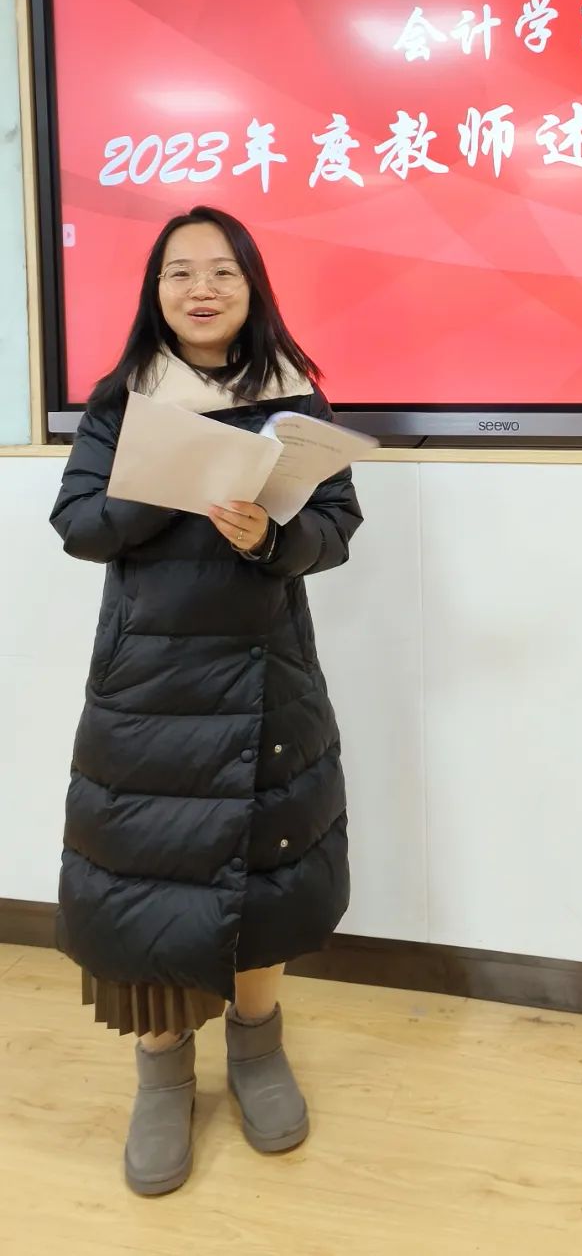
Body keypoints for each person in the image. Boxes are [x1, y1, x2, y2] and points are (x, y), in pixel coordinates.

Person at [50, 206, 362, 1197]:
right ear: (156, 290)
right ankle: (162, 1073)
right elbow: (78, 523)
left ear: (250, 285)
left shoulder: (295, 397)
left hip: (270, 675)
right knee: (148, 876)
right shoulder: (124, 399)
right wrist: (163, 485)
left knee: (266, 868)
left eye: (222, 271)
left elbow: (338, 525)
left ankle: (258, 1046)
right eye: (180, 271)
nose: (201, 288)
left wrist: (269, 538)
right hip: (148, 688)